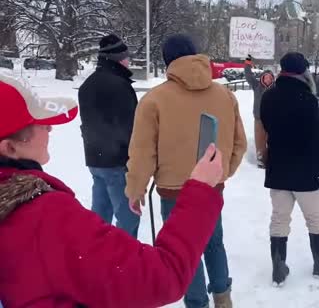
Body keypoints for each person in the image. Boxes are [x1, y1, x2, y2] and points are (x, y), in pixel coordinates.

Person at [0, 74, 226, 307]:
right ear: (9, 147)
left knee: (103, 215)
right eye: (38, 123)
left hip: (97, 161)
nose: (49, 128)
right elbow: (162, 276)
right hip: (126, 169)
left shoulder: (94, 86)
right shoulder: (45, 218)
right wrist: (200, 190)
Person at [125, 34, 247, 308]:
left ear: (168, 62)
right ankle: (223, 300)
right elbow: (240, 142)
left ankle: (197, 303)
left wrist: (135, 189)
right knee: (214, 243)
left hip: (174, 191)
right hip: (211, 187)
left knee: (183, 253)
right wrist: (222, 172)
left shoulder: (154, 100)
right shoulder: (225, 95)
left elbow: (143, 152)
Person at [260, 52, 319, 286]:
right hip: (306, 171)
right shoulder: (310, 101)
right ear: (303, 72)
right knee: (315, 219)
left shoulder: (268, 97)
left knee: (279, 219)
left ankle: (278, 266)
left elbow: (267, 126)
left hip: (278, 168)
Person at [78, 34, 140, 237]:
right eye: (125, 56)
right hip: (117, 161)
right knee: (128, 218)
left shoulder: (87, 85)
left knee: (99, 217)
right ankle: (124, 261)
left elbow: (87, 122)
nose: (128, 60)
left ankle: (95, 257)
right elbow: (130, 127)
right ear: (117, 58)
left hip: (95, 159)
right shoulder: (120, 86)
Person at [244, 56, 275, 168]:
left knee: (272, 140)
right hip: (259, 118)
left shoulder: (276, 88)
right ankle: (261, 161)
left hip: (272, 119)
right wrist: (247, 63)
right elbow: (248, 76)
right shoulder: (257, 85)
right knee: (260, 141)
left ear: (272, 79)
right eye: (266, 77)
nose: (268, 79)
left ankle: (272, 160)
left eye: (270, 78)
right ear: (262, 78)